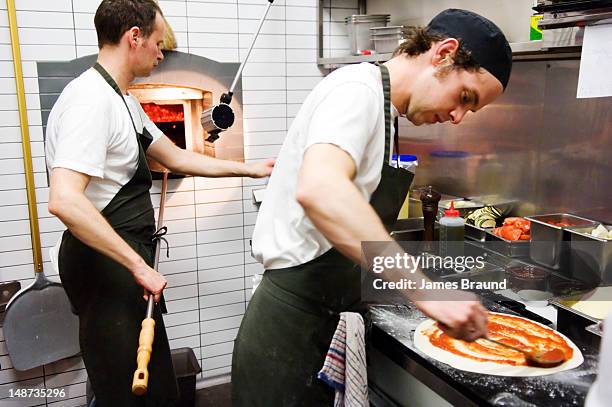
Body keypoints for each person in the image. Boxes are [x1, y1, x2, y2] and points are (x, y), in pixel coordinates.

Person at [232, 8, 513, 405]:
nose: (457, 117)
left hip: (321, 321)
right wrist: (425, 292)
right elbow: (320, 189)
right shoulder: (356, 91)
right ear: (444, 54)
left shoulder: (385, 110)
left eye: (471, 110)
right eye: (465, 97)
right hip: (289, 330)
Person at [44, 1, 273, 405]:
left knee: (152, 384)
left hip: (125, 265)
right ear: (134, 37)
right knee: (126, 390)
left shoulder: (124, 101)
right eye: (157, 41)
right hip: (107, 268)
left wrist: (252, 169)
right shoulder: (90, 101)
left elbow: (175, 156)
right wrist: (137, 267)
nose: (161, 52)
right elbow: (64, 200)